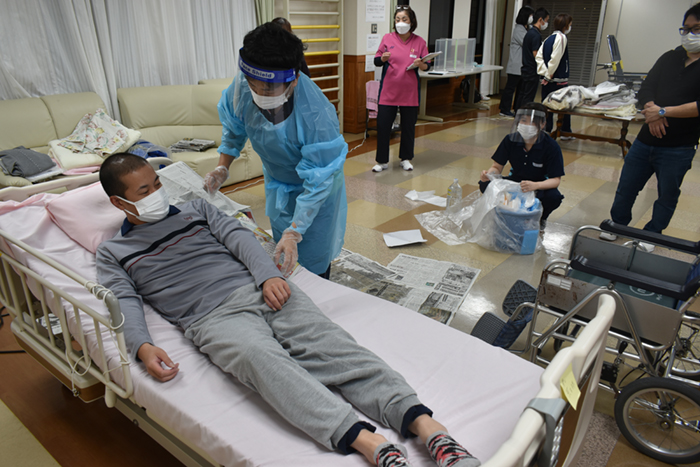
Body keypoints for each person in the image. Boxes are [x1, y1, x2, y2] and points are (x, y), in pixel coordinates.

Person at [96, 153, 481, 467]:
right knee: (263, 362)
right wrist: (141, 346)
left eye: (157, 183)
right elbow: (123, 300)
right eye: (144, 191)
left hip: (259, 288)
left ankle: (431, 431)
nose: (157, 193)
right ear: (119, 202)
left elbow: (240, 239)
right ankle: (371, 444)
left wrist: (267, 276)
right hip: (210, 317)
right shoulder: (114, 252)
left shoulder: (196, 210)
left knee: (332, 346)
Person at [204, 23, 347, 280]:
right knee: (282, 251)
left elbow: (319, 178)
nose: (259, 93)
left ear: (293, 79)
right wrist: (222, 166)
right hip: (277, 183)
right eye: (253, 84)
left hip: (315, 191)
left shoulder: (316, 115)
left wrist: (295, 232)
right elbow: (234, 127)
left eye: (269, 88)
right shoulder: (242, 88)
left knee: (312, 257)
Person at [603, 4, 700, 242]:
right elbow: (646, 87)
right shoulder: (670, 57)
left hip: (679, 146)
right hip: (645, 140)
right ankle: (617, 225)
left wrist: (663, 112)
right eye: (685, 29)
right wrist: (652, 112)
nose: (689, 34)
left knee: (667, 195)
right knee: (627, 187)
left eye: (696, 29)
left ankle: (652, 235)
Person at [479, 103, 565, 228]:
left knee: (554, 197)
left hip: (538, 185)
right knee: (485, 184)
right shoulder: (510, 140)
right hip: (515, 182)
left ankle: (541, 218)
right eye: (523, 120)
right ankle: (504, 214)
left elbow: (555, 180)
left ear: (542, 124)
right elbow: (497, 167)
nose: (526, 125)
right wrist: (489, 175)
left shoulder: (551, 146)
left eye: (532, 122)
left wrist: (535, 185)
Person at [371, 5, 431, 173]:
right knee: (383, 126)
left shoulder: (419, 42)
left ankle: (405, 158)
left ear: (411, 22)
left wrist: (421, 64)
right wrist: (382, 59)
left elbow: (427, 66)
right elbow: (376, 61)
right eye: (397, 20)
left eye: (404, 19)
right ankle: (382, 161)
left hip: (409, 92)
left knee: (408, 127)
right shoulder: (387, 38)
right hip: (388, 92)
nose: (400, 23)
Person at [536, 13, 574, 138]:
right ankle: (565, 132)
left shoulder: (548, 39)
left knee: (547, 105)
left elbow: (539, 57)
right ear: (565, 25)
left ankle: (545, 130)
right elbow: (555, 59)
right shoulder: (562, 38)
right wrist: (549, 75)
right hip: (557, 79)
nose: (570, 27)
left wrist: (544, 73)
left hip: (547, 79)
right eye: (570, 24)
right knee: (564, 106)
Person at [499, 6, 534, 117]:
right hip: (516, 65)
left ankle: (516, 108)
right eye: (530, 15)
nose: (532, 18)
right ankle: (504, 109)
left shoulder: (527, 29)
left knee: (520, 89)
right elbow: (527, 43)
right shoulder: (518, 29)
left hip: (522, 65)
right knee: (510, 88)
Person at [515, 8, 550, 112]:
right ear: (540, 19)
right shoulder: (535, 35)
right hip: (532, 70)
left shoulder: (529, 32)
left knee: (522, 94)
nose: (546, 23)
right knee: (528, 97)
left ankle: (518, 113)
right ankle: (524, 116)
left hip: (525, 68)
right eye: (546, 20)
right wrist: (543, 68)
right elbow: (536, 54)